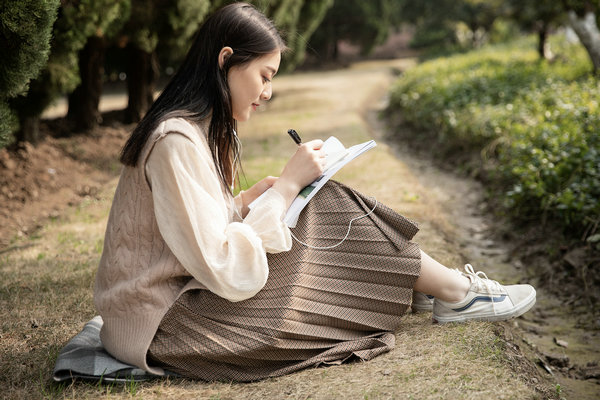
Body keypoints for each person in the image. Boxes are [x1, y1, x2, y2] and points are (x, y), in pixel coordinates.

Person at [94, 2, 536, 382]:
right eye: (264, 76)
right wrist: (285, 187)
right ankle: (452, 292)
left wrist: (249, 200)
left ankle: (438, 288)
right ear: (225, 60)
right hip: (167, 328)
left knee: (317, 197)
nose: (266, 93)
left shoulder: (192, 131)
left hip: (178, 309)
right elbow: (225, 267)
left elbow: (189, 228)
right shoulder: (176, 139)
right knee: (319, 202)